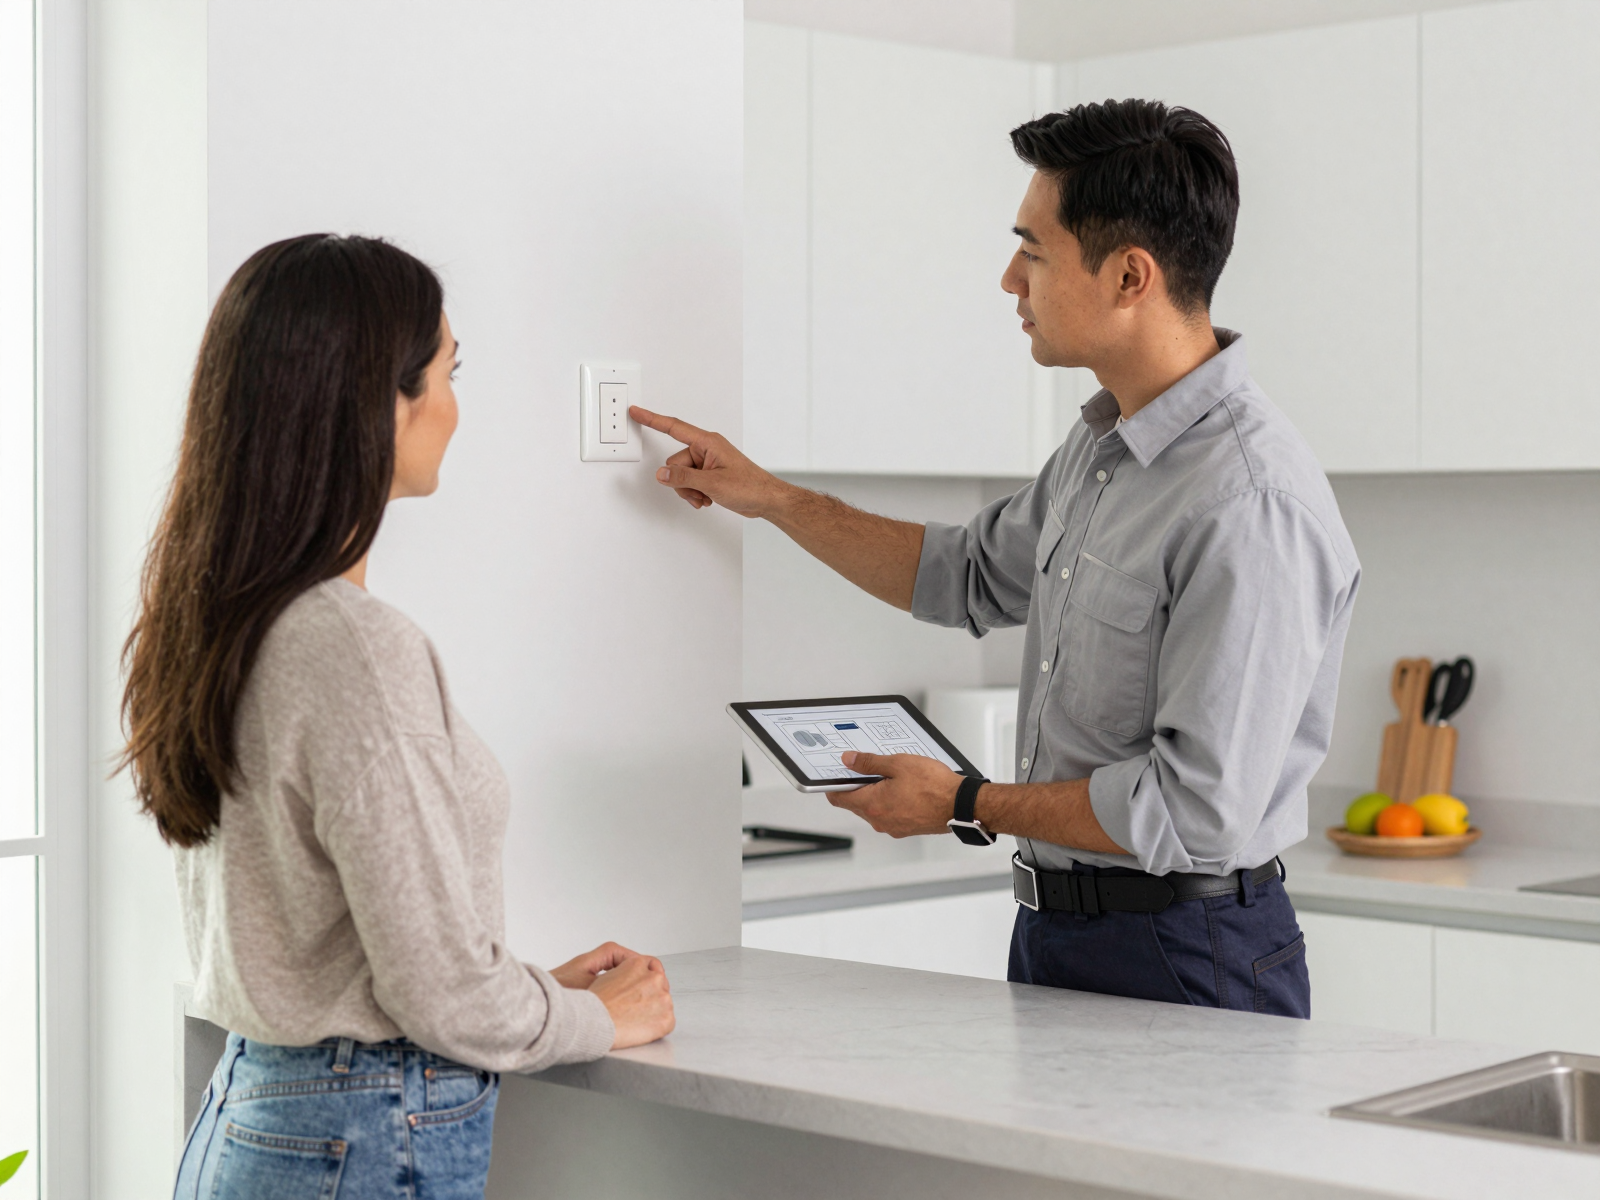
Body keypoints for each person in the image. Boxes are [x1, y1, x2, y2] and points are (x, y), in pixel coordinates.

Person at [633, 99, 1359, 1018]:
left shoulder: (1251, 502)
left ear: (1129, 276)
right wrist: (772, 497)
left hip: (1188, 950)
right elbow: (965, 575)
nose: (1009, 279)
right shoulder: (1103, 449)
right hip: (1059, 931)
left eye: (1034, 251)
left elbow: (1193, 813)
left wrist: (966, 801)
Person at [122, 234, 675, 1200]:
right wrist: (600, 1019)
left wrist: (527, 992)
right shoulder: (353, 646)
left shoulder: (228, 620)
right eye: (450, 372)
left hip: (254, 1114)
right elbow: (440, 997)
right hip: (358, 1130)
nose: (457, 407)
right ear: (381, 401)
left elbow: (342, 943)